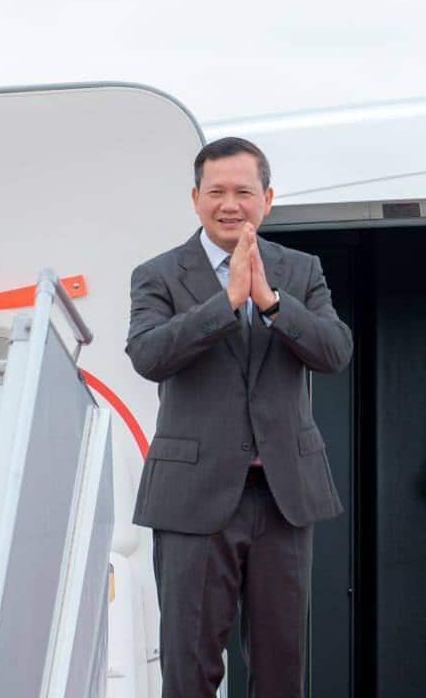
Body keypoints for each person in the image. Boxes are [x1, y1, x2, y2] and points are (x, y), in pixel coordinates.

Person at [125, 136, 352, 697]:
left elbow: (334, 351)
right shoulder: (158, 274)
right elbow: (148, 356)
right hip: (192, 495)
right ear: (195, 197)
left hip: (283, 493)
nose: (230, 204)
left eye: (243, 192)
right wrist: (224, 302)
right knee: (190, 664)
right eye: (217, 192)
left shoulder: (301, 270)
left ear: (267, 198)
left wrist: (271, 302)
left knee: (281, 667)